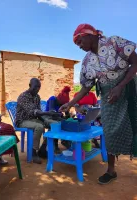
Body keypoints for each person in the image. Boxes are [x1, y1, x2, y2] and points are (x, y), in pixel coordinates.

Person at [59, 24, 137, 184]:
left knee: (134, 124)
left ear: (90, 34)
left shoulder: (114, 42)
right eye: (77, 44)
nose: (79, 46)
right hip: (109, 95)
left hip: (128, 88)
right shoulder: (87, 62)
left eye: (80, 41)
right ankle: (111, 170)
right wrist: (70, 103)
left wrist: (120, 86)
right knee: (108, 130)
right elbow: (86, 87)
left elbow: (135, 62)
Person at [15, 78, 60, 164]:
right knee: (39, 126)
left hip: (34, 119)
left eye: (39, 87)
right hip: (22, 121)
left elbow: (38, 112)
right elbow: (33, 111)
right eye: (35, 87)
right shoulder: (23, 97)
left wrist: (48, 118)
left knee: (54, 124)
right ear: (30, 86)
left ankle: (43, 149)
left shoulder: (37, 97)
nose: (37, 89)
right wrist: (47, 112)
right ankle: (33, 153)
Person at [45, 86, 72, 151]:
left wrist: (68, 113)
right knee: (57, 124)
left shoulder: (62, 104)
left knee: (68, 122)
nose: (61, 105)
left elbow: (67, 116)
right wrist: (61, 115)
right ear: (59, 99)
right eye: (61, 104)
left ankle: (65, 140)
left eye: (63, 104)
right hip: (48, 117)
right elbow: (52, 113)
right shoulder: (52, 99)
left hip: (57, 118)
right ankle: (56, 144)